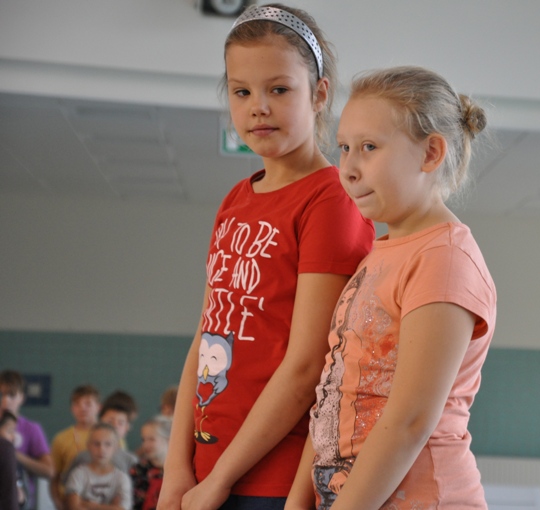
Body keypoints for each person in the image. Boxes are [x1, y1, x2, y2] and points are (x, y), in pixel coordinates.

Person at [157, 4, 374, 510]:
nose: (258, 107)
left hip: (271, 479)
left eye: (279, 89)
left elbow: (308, 365)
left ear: (319, 94)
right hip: (206, 470)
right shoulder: (235, 200)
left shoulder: (331, 201)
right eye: (241, 92)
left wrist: (220, 479)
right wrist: (177, 468)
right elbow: (203, 339)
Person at [286, 66, 497, 509]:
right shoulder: (381, 253)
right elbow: (333, 390)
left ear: (430, 153)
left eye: (369, 147)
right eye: (344, 148)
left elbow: (410, 421)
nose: (348, 168)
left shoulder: (444, 258)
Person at [0, 370, 53, 509]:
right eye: (1, 395)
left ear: (21, 398)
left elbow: (49, 470)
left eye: (11, 395)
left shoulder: (31, 429)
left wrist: (11, 454)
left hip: (20, 500)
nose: (5, 401)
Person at [50, 384, 102, 510]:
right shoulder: (61, 439)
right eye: (77, 404)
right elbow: (54, 477)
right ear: (71, 409)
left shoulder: (112, 437)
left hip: (102, 502)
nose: (82, 408)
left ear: (98, 407)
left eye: (88, 403)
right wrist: (58, 503)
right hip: (70, 502)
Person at [63, 401, 139, 484]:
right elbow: (67, 482)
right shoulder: (82, 457)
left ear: (127, 427)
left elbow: (136, 487)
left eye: (120, 423)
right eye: (110, 421)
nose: (115, 425)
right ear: (99, 422)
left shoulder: (130, 460)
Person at [65, 423, 132, 510]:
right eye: (96, 444)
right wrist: (110, 507)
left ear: (116, 447)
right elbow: (74, 507)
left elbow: (122, 509)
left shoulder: (121, 478)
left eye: (108, 444)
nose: (101, 449)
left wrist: (89, 505)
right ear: (88, 446)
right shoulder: (78, 474)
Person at [131, 418, 171, 510]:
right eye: (143, 440)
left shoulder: (179, 470)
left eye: (151, 439)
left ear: (168, 440)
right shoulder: (138, 470)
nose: (145, 445)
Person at [0, 410, 26, 510]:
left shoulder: (15, 461)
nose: (14, 436)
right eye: (9, 431)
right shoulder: (6, 448)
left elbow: (21, 497)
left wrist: (21, 498)